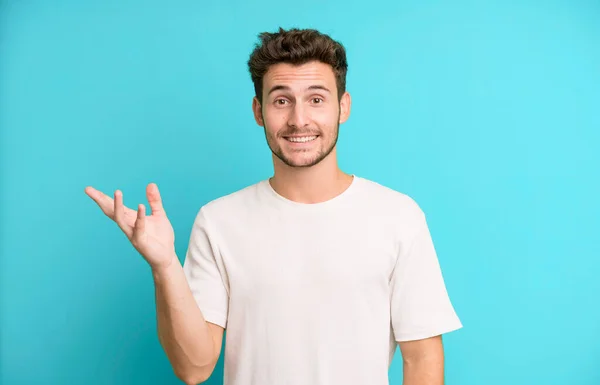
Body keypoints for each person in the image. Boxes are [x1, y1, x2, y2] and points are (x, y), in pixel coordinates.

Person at [85, 27, 462, 385]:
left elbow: (422, 358)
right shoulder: (219, 221)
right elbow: (194, 368)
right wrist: (165, 266)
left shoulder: (397, 216)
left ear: (343, 107)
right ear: (258, 110)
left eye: (317, 99)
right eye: (282, 100)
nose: (299, 120)